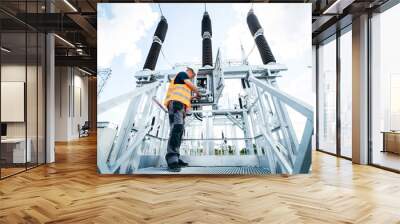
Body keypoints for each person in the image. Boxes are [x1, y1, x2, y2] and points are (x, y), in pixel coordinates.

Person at [163, 67, 201, 172]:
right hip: (176, 103)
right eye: (193, 75)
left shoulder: (183, 85)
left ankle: (176, 157)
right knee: (176, 128)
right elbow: (189, 85)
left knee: (179, 132)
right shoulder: (182, 74)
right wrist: (198, 92)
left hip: (180, 106)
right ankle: (171, 159)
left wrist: (193, 97)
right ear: (189, 71)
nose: (192, 77)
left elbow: (186, 97)